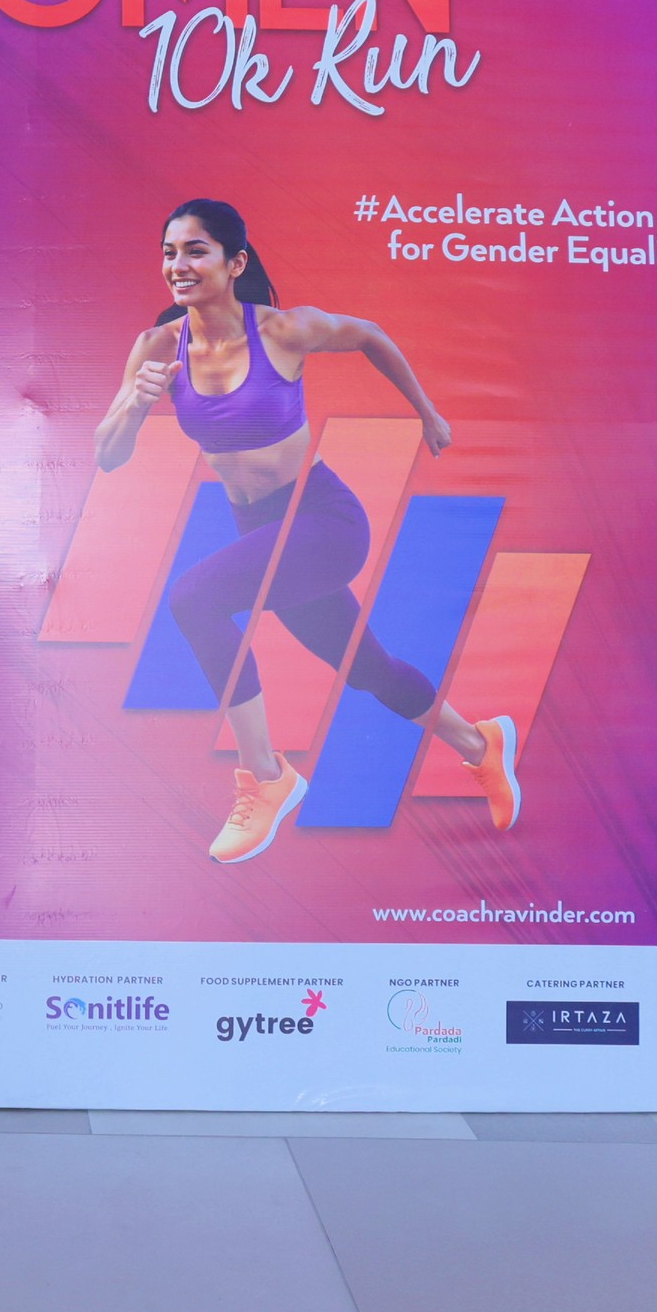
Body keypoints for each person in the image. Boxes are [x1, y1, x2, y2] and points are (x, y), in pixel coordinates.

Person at [93, 200, 520, 858]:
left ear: (235, 263)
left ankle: (266, 776)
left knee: (194, 600)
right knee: (367, 668)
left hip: (321, 520)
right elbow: (108, 455)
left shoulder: (284, 332)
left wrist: (428, 414)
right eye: (169, 252)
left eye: (196, 251)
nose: (178, 265)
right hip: (261, 529)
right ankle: (479, 743)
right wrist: (134, 402)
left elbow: (369, 334)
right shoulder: (156, 348)